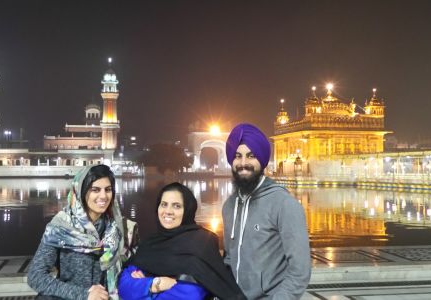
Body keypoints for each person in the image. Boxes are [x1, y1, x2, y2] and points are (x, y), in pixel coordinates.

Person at [223, 123, 311, 300]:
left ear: (262, 160)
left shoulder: (283, 204)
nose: (243, 163)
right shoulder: (229, 206)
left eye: (251, 156)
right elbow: (229, 258)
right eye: (237, 156)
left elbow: (299, 271)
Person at [118, 182, 246, 300]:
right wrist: (156, 283)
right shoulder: (151, 243)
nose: (168, 211)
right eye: (164, 204)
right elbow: (124, 286)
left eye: (177, 206)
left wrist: (143, 288)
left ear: (187, 210)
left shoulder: (201, 242)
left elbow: (191, 294)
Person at [28, 165, 138, 300]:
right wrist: (84, 294)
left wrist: (135, 272)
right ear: (80, 191)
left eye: (108, 190)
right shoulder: (61, 228)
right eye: (95, 190)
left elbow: (131, 264)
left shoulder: (120, 228)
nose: (103, 196)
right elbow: (35, 276)